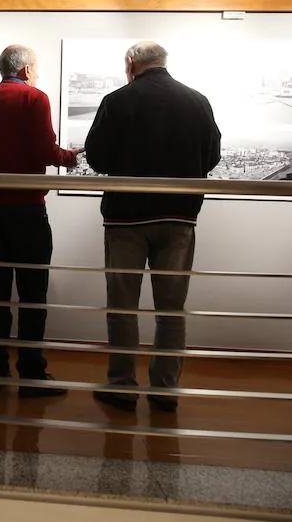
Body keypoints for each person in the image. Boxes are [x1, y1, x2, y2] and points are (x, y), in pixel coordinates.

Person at [85, 41, 221, 413]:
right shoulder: (198, 101)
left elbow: (95, 158)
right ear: (163, 63)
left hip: (126, 218)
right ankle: (165, 390)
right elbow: (212, 156)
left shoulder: (117, 101)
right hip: (179, 217)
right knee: (171, 308)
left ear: (131, 64)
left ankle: (123, 386)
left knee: (123, 306)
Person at [0, 45, 79, 397]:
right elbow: (46, 151)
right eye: (37, 70)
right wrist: (69, 157)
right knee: (32, 294)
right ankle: (31, 374)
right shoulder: (35, 98)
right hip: (26, 213)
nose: (37, 75)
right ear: (26, 70)